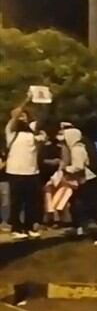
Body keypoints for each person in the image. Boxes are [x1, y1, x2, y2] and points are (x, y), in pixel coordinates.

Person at [63, 127, 97, 245]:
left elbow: (78, 166)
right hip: (89, 179)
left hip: (87, 180)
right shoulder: (81, 147)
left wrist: (66, 169)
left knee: (90, 206)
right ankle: (94, 229)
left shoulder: (76, 149)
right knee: (88, 206)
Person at [4, 96, 43, 239]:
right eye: (20, 116)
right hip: (15, 172)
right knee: (16, 202)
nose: (22, 118)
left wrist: (42, 102)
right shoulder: (11, 132)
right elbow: (15, 114)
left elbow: (41, 119)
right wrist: (27, 99)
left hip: (32, 172)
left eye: (24, 116)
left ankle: (29, 226)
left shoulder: (32, 134)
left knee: (31, 202)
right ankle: (16, 227)